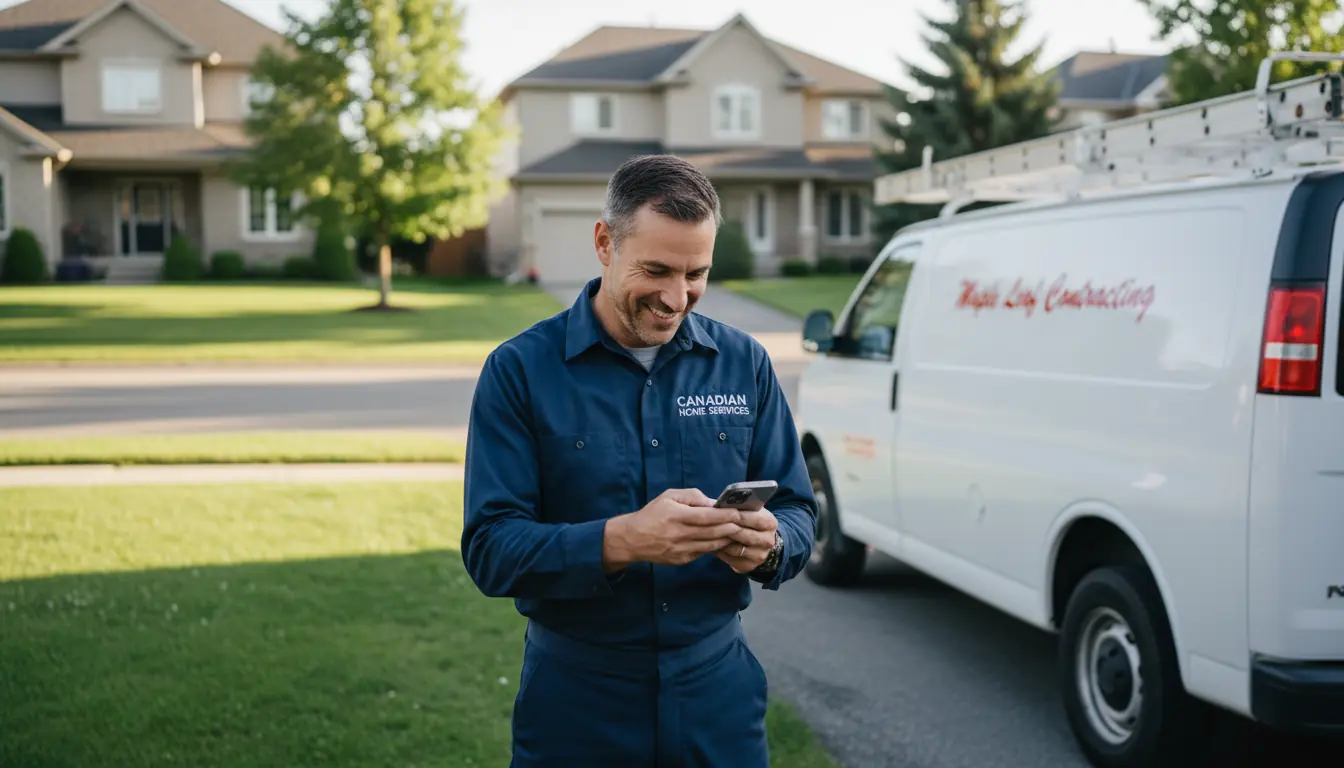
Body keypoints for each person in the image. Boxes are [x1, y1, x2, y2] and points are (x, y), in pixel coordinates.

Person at [461, 153, 818, 767]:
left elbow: (798, 511)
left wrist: (773, 543)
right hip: (577, 702)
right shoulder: (520, 371)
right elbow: (492, 550)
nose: (677, 298)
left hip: (719, 694)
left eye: (696, 273)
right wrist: (624, 540)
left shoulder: (746, 364)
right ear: (605, 243)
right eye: (655, 270)